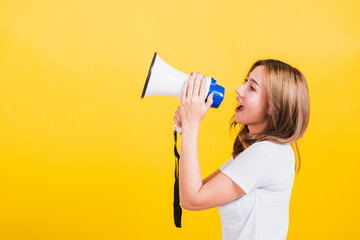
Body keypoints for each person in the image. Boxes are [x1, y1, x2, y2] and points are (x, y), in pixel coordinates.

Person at [173, 59, 310, 240]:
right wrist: (187, 131)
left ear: (272, 106)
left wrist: (191, 125)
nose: (239, 89)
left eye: (252, 88)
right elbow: (196, 188)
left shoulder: (266, 154)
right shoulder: (265, 151)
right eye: (246, 81)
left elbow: (192, 199)